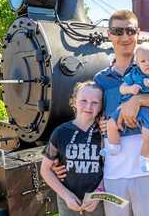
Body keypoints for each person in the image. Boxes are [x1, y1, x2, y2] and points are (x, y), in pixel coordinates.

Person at [52, 10, 149, 216]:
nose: (125, 37)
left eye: (130, 30)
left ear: (138, 33)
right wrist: (60, 161)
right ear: (109, 35)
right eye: (118, 31)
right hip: (114, 174)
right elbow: (90, 122)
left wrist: (139, 99)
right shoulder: (101, 79)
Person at [104, 42, 149, 172]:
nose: (147, 63)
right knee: (111, 124)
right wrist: (130, 89)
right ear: (137, 63)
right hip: (125, 105)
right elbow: (122, 89)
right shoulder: (134, 73)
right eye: (143, 61)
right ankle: (113, 146)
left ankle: (145, 159)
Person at [40, 81, 105, 216]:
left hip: (97, 201)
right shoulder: (61, 132)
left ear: (101, 106)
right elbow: (45, 170)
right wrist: (66, 195)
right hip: (68, 201)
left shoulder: (104, 134)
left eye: (95, 102)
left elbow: (111, 168)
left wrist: (99, 192)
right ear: (74, 102)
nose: (88, 106)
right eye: (83, 101)